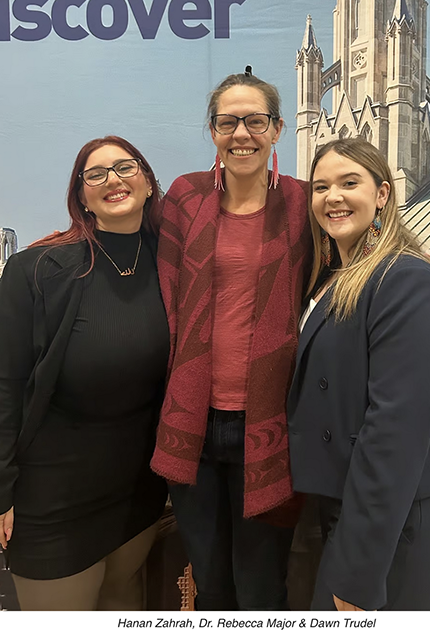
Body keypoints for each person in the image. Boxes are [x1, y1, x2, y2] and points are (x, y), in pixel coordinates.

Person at [0, 136, 169, 611]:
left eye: (125, 167)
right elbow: (3, 388)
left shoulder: (175, 264)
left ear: (146, 183)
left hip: (138, 497)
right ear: (81, 196)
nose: (113, 180)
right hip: (53, 504)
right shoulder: (36, 271)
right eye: (95, 174)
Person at [150, 69, 313, 610]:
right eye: (228, 121)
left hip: (267, 423)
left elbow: (360, 244)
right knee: (212, 583)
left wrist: (416, 254)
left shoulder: (301, 203)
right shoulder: (186, 196)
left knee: (262, 585)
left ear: (278, 129)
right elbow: (145, 265)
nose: (241, 132)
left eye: (255, 120)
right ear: (214, 130)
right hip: (192, 421)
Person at [287, 137, 430, 611]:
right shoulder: (338, 280)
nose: (333, 197)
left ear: (383, 194)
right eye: (321, 186)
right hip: (351, 508)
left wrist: (357, 573)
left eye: (351, 183)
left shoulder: (406, 278)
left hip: (403, 517)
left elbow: (395, 429)